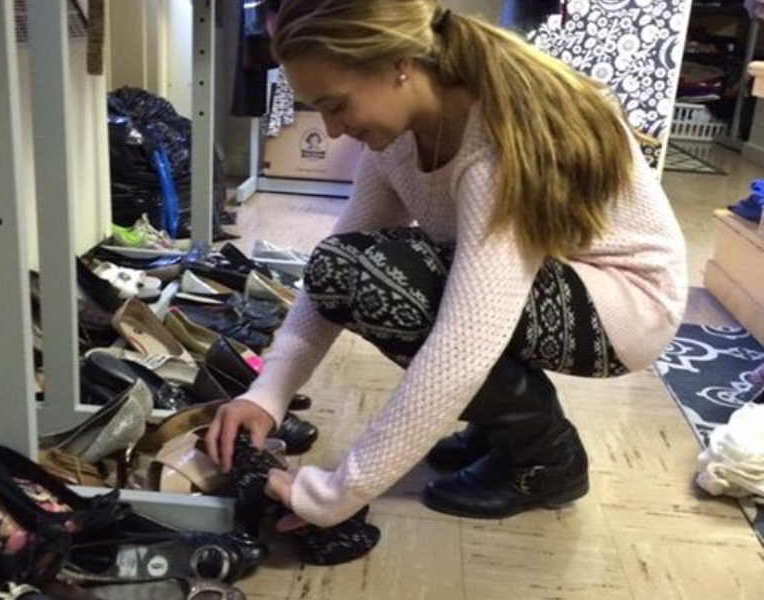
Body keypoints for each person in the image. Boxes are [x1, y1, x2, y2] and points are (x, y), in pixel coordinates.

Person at [206, 0, 688, 530]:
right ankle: (499, 426)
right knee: (343, 268)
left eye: (336, 105)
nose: (333, 129)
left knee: (382, 284)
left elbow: (465, 344)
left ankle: (546, 460)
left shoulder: (495, 143)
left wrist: (334, 495)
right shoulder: (401, 134)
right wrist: (267, 394)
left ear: (398, 64)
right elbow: (331, 270)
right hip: (559, 278)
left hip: (629, 306)